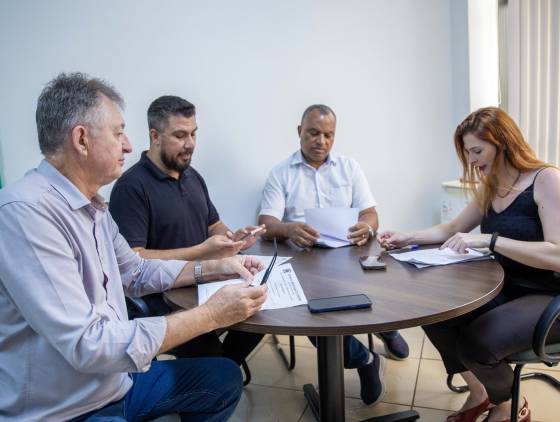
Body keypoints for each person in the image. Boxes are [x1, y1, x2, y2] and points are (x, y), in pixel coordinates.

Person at [0, 73, 267, 421]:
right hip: (66, 410)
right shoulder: (25, 213)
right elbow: (89, 345)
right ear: (81, 139)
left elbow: (136, 271)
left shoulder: (93, 208)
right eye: (118, 133)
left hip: (117, 383)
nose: (127, 145)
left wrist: (216, 267)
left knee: (224, 378)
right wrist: (211, 315)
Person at [378, 106, 560, 422]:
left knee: (479, 343)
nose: (472, 160)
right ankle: (480, 393)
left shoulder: (546, 180)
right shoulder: (490, 187)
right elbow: (450, 229)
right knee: (434, 313)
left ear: (503, 142)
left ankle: (509, 405)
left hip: (548, 297)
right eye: (468, 153)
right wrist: (407, 237)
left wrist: (491, 241)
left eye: (477, 150)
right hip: (504, 287)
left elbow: (557, 254)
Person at [258, 104, 409, 405]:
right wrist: (288, 229)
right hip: (305, 262)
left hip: (348, 254)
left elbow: (370, 213)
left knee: (382, 285)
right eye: (313, 133)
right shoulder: (280, 173)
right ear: (299, 132)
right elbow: (266, 223)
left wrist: (366, 227)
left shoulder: (349, 167)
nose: (321, 141)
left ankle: (387, 329)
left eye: (328, 135)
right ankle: (365, 360)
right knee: (316, 320)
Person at [109, 95, 264, 365]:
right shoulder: (131, 187)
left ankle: (223, 370)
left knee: (260, 307)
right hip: (165, 298)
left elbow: (213, 225)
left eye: (193, 134)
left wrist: (234, 238)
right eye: (180, 135)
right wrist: (201, 252)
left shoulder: (192, 176)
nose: (190, 144)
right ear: (154, 136)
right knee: (214, 359)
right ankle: (217, 372)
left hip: (205, 281)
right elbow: (133, 261)